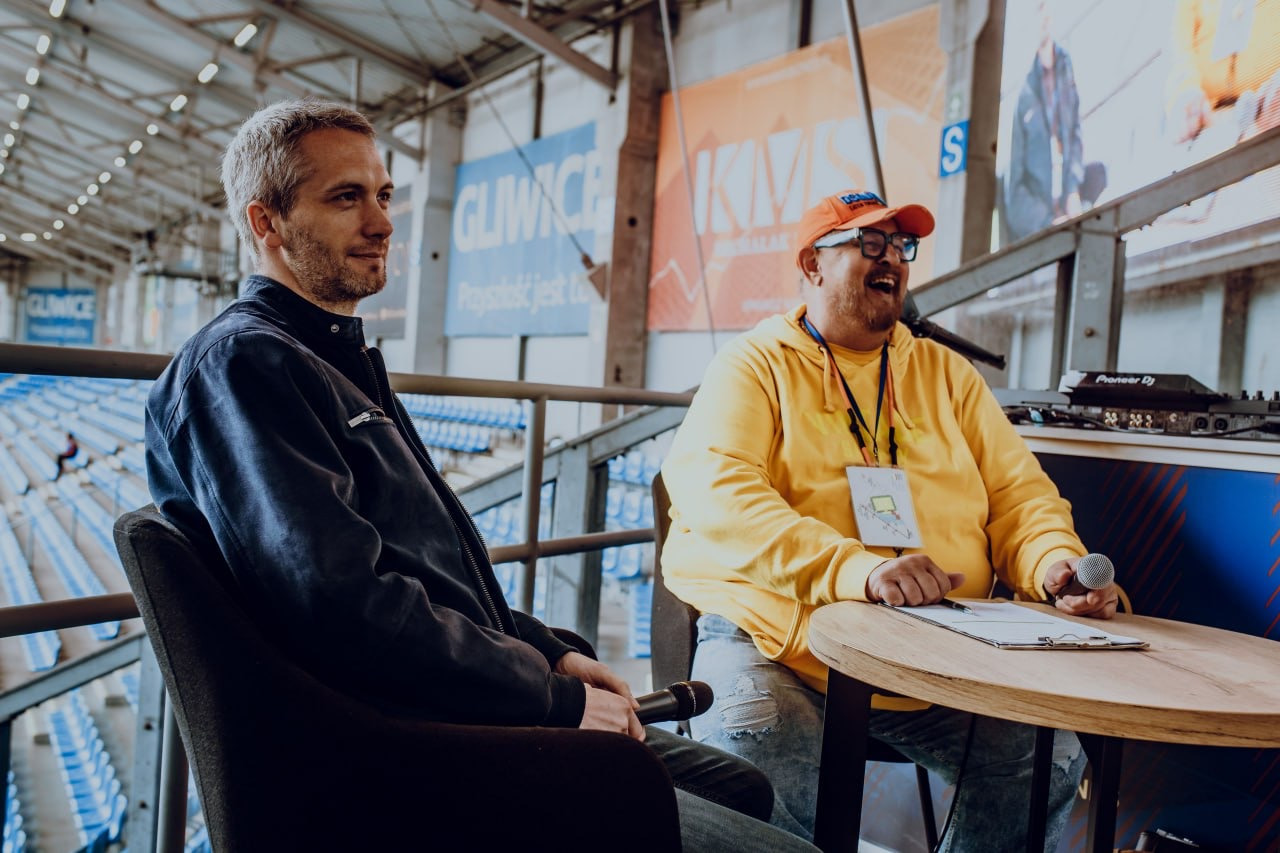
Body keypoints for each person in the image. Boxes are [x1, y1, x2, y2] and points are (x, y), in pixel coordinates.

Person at [144, 99, 817, 853]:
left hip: (443, 710)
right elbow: (345, 610)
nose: (382, 221)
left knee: (741, 785)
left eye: (384, 194)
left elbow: (428, 573)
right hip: (402, 754)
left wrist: (548, 651)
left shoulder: (329, 357)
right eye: (346, 197)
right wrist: (553, 700)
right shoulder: (246, 365)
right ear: (265, 222)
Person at [660, 189, 1121, 850]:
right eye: (870, 243)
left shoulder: (949, 376)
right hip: (777, 642)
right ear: (813, 265)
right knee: (755, 744)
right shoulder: (754, 363)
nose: (893, 260)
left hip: (932, 647)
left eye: (902, 246)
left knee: (1048, 757)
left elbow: (1021, 497)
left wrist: (1052, 564)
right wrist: (859, 570)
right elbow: (718, 491)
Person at [1004, 0, 1085, 243]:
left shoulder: (1067, 69)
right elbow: (1014, 192)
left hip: (1070, 209)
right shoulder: (1023, 95)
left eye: (1045, 16)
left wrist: (1073, 190)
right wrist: (1047, 223)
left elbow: (1075, 134)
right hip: (1044, 226)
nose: (1043, 24)